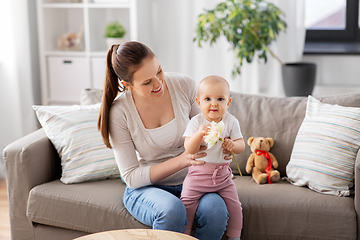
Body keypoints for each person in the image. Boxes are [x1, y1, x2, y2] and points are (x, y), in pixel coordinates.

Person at [97, 41, 232, 240]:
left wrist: (221, 143)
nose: (159, 83)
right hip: (148, 188)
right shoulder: (120, 112)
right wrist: (182, 160)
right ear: (127, 84)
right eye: (146, 82)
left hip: (194, 181)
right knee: (171, 209)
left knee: (216, 209)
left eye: (159, 71)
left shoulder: (184, 85)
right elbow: (132, 177)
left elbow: (207, 131)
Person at [181, 75, 245, 240]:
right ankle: (184, 235)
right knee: (186, 205)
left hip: (222, 177)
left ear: (228, 102)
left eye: (220, 99)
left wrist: (233, 145)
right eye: (207, 98)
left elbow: (241, 145)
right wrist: (199, 134)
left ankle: (235, 236)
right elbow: (189, 148)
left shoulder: (231, 122)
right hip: (197, 177)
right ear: (198, 102)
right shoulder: (196, 123)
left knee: (235, 206)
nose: (214, 103)